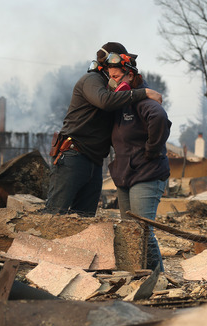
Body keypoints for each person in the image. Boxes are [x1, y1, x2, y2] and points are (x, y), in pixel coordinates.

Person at [46, 42, 163, 216]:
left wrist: (139, 84)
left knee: (84, 219)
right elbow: (104, 101)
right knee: (55, 215)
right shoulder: (92, 80)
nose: (115, 75)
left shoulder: (116, 88)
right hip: (73, 156)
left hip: (94, 161)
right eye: (113, 70)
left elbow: (132, 88)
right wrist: (144, 93)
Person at [106, 54, 172, 271]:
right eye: (110, 76)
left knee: (143, 232)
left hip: (146, 174)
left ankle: (158, 278)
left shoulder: (144, 103)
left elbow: (159, 119)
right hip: (126, 175)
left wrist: (151, 151)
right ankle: (136, 278)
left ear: (130, 75)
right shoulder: (122, 103)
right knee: (130, 232)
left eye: (116, 76)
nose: (112, 81)